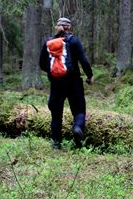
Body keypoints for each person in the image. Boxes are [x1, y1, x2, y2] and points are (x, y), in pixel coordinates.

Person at [39, 17, 93, 149]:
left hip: (56, 83)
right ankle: (77, 129)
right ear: (69, 27)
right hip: (74, 81)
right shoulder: (73, 41)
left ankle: (56, 143)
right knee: (79, 110)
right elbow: (84, 60)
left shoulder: (48, 42)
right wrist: (90, 76)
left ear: (57, 27)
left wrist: (53, 73)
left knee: (56, 114)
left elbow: (42, 64)